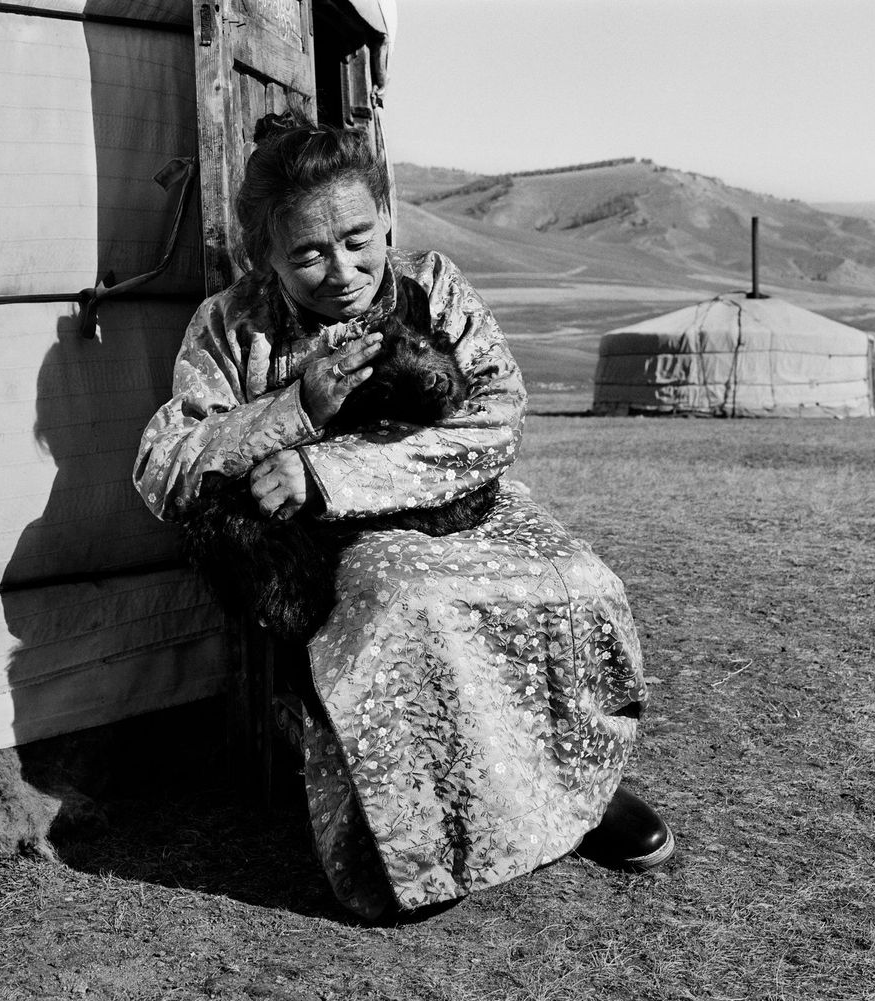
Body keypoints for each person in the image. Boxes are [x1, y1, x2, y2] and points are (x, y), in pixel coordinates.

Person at [133, 116, 674, 919]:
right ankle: (417, 835)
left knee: (577, 579)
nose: (342, 269)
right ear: (266, 257)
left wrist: (328, 471)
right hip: (336, 545)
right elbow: (163, 464)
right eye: (309, 254)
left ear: (386, 218)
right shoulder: (230, 324)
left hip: (457, 504)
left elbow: (497, 415)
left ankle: (580, 787)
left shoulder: (434, 284)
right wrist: (294, 407)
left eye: (358, 238)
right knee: (405, 599)